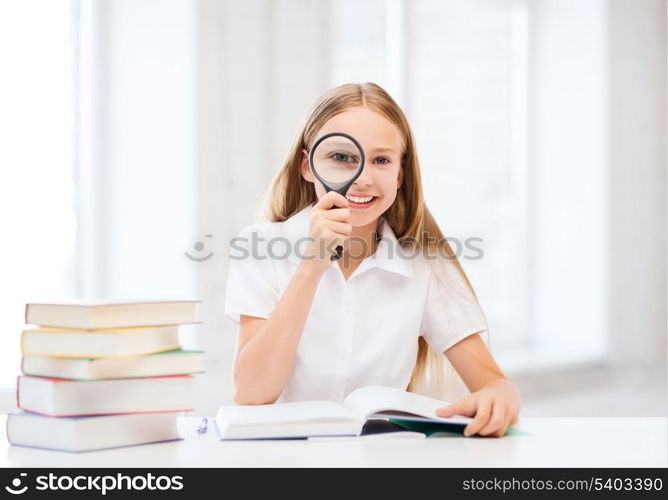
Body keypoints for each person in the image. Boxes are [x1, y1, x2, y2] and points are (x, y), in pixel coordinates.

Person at [225, 82, 521, 437]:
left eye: (381, 160)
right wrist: (311, 267)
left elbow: (494, 383)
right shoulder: (260, 247)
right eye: (341, 157)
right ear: (307, 167)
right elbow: (251, 394)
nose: (362, 178)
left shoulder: (426, 264)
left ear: (400, 174)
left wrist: (499, 398)